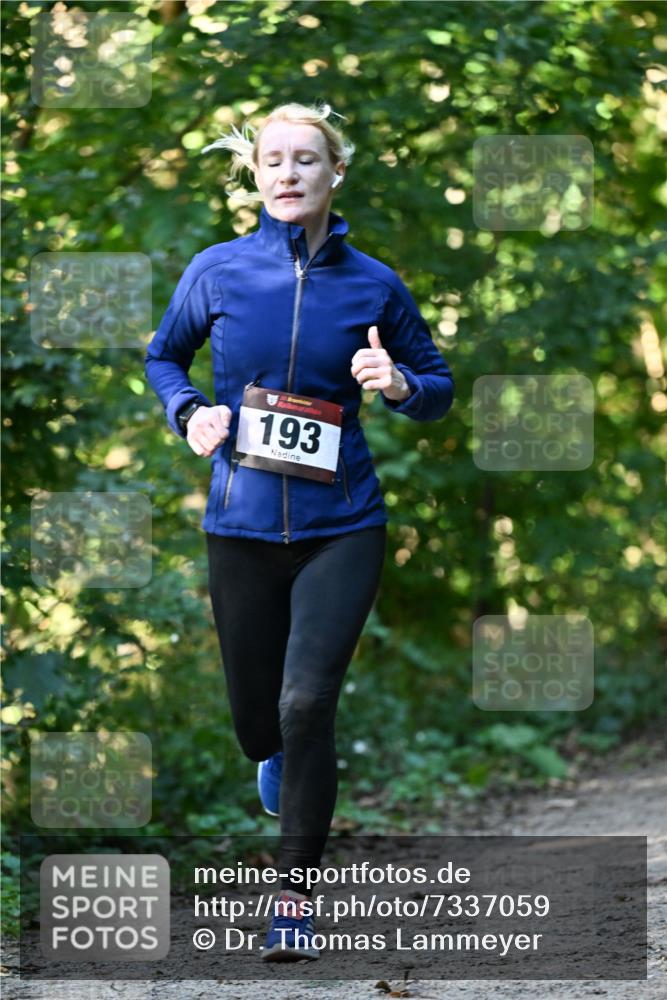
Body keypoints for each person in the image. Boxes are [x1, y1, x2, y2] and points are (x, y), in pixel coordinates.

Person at [144, 101, 455, 961]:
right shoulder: (217, 271)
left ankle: (294, 898)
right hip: (239, 525)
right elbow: (162, 356)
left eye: (305, 160)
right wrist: (189, 413)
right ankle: (271, 754)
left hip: (341, 523)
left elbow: (438, 388)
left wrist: (396, 382)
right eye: (272, 160)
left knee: (306, 703)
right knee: (259, 723)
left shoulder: (373, 284)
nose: (287, 173)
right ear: (254, 174)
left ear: (334, 174)